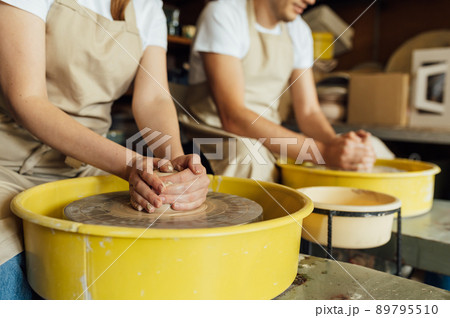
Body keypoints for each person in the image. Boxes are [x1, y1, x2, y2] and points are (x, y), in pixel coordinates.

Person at [0, 0, 210, 299]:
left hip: (89, 168)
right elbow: (27, 100)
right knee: (13, 275)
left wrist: (174, 166)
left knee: (153, 260)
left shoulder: (147, 6)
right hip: (9, 165)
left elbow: (153, 99)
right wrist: (129, 164)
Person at [178, 0, 385, 182]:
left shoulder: (299, 31)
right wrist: (323, 152)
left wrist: (337, 145)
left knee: (371, 148)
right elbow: (233, 116)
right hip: (213, 132)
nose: (310, 1)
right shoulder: (224, 14)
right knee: (250, 157)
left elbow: (309, 112)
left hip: (267, 132)